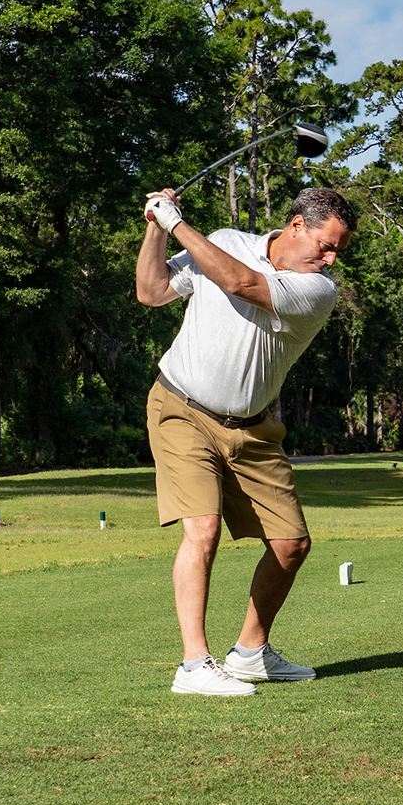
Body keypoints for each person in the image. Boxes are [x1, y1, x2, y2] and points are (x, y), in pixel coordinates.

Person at [134, 185, 357, 696]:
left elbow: (241, 282)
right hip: (181, 408)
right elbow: (152, 291)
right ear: (297, 225)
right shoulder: (225, 241)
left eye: (338, 251)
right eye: (327, 245)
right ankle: (194, 665)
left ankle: (250, 653)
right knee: (203, 529)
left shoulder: (318, 290)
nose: (331, 259)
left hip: (254, 429)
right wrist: (155, 226)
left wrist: (175, 222)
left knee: (291, 545)